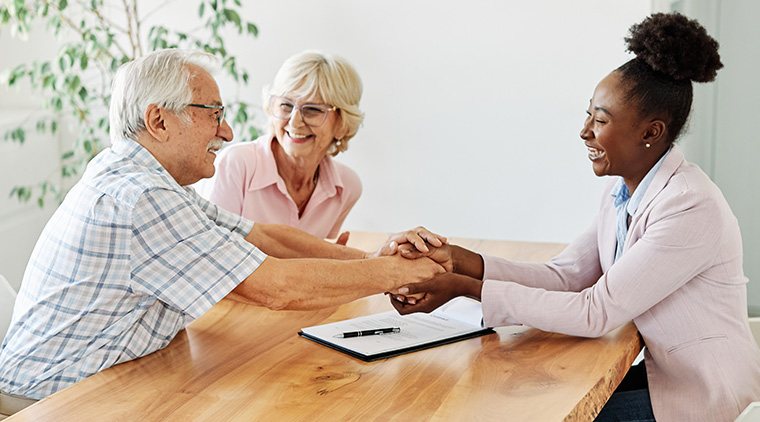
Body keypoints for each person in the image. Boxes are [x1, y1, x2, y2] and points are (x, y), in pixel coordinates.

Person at [0, 49, 445, 412]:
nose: (228, 132)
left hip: (92, 382)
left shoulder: (149, 179)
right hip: (49, 402)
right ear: (159, 121)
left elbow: (264, 237)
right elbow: (276, 289)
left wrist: (373, 262)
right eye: (213, 114)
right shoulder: (140, 196)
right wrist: (398, 273)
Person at [388, 13, 760, 422]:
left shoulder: (690, 206)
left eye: (600, 120)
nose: (584, 131)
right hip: (667, 378)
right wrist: (459, 259)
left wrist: (464, 288)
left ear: (650, 133)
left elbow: (594, 312)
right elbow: (565, 276)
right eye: (588, 116)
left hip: (703, 398)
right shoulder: (623, 192)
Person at [197, 50, 363, 243]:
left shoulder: (346, 187)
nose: (294, 122)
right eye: (286, 105)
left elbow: (316, 261)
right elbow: (214, 257)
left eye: (313, 110)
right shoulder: (236, 165)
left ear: (343, 125)